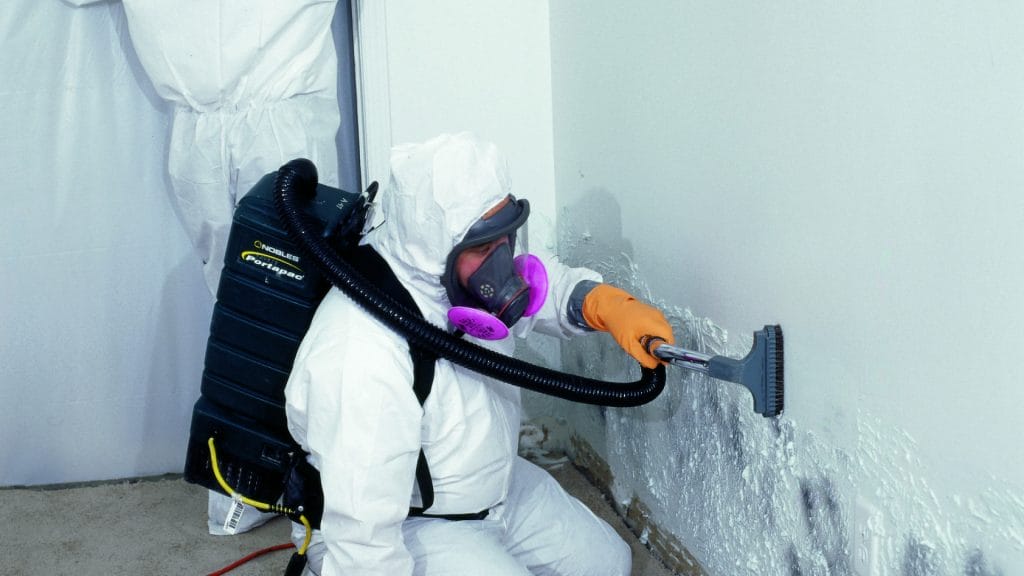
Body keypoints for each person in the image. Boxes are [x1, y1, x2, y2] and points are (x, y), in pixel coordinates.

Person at [285, 132, 675, 575]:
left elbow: (539, 286)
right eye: (485, 249)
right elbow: (362, 530)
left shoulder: (454, 260)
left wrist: (602, 304)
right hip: (411, 525)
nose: (501, 264)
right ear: (438, 247)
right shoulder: (360, 349)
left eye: (504, 239)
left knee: (607, 564)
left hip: (497, 490)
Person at [65, 0, 343, 535]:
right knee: (238, 315)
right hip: (198, 128)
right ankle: (257, 476)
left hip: (283, 112)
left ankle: (328, 481)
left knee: (304, 305)